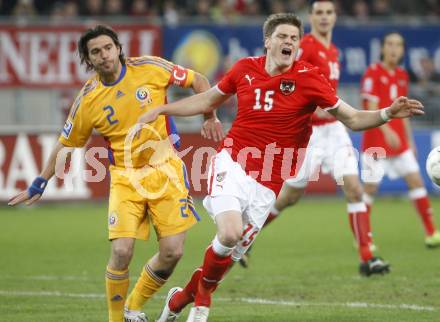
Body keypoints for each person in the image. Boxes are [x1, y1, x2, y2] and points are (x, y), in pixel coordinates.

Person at [136, 13, 424, 322]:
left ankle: (179, 299)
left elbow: (352, 118)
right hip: (232, 162)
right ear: (268, 41)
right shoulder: (245, 69)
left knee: (225, 260)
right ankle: (202, 304)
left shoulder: (310, 78)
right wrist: (163, 109)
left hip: (270, 182)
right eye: (283, 37)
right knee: (230, 233)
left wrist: (386, 114)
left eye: (294, 38)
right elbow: (207, 100)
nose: (289, 42)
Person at [8, 25, 223, 322]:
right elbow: (66, 143)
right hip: (125, 178)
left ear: (118, 48)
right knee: (121, 252)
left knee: (172, 252)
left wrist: (209, 114)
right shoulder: (89, 99)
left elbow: (198, 80)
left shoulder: (150, 67)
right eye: (96, 52)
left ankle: (133, 306)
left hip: (166, 170)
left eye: (108, 48)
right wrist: (40, 181)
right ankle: (116, 319)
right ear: (88, 60)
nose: (104, 55)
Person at [242, 0, 385, 277]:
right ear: (311, 17)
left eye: (329, 12)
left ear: (335, 16)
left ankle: (367, 258)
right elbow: (287, 78)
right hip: (308, 132)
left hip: (334, 129)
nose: (324, 17)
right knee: (288, 197)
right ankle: (248, 234)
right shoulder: (304, 46)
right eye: (319, 12)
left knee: (354, 189)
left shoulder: (333, 50)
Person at [360, 31, 440, 248]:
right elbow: (370, 107)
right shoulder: (372, 72)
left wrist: (410, 140)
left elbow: (405, 113)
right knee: (370, 189)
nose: (394, 48)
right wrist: (387, 131)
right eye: (390, 44)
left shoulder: (402, 75)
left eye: (398, 45)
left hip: (400, 144)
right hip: (375, 142)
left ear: (403, 50)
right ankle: (364, 239)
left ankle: (431, 232)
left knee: (416, 181)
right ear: (383, 48)